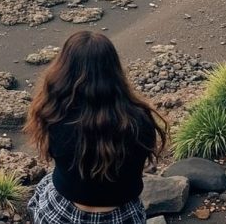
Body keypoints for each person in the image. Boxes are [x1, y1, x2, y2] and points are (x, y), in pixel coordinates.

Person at [24, 31, 168, 224]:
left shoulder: (54, 115)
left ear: (64, 70)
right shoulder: (139, 119)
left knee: (45, 186)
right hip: (122, 216)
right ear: (114, 70)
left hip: (63, 213)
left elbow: (54, 156)